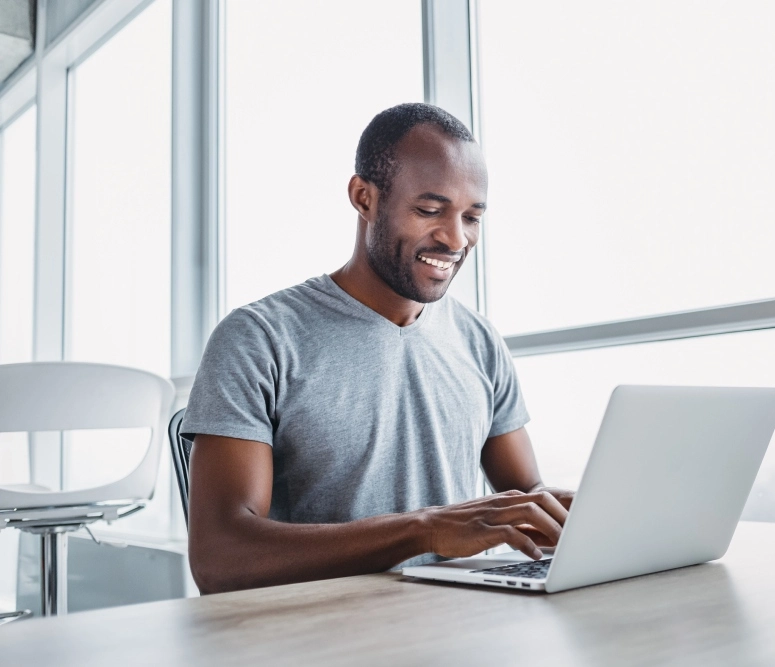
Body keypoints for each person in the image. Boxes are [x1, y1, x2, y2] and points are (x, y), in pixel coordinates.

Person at [183, 103, 574, 594]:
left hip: (463, 623)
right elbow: (220, 558)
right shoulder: (259, 339)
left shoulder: (479, 340)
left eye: (472, 217)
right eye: (430, 210)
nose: (456, 239)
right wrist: (425, 529)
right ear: (364, 198)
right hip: (320, 635)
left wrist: (580, 515)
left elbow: (524, 494)